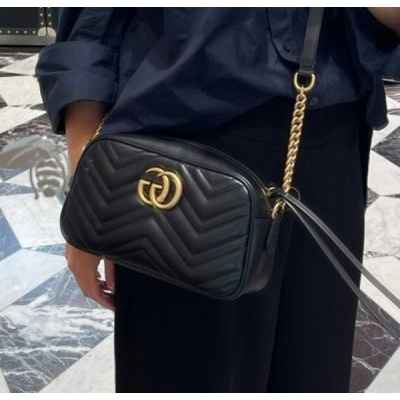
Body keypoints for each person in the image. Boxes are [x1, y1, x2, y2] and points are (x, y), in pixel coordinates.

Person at [35, 8, 400, 393]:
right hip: (178, 154)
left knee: (313, 369)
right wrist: (90, 196)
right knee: (182, 376)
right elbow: (91, 26)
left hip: (329, 146)